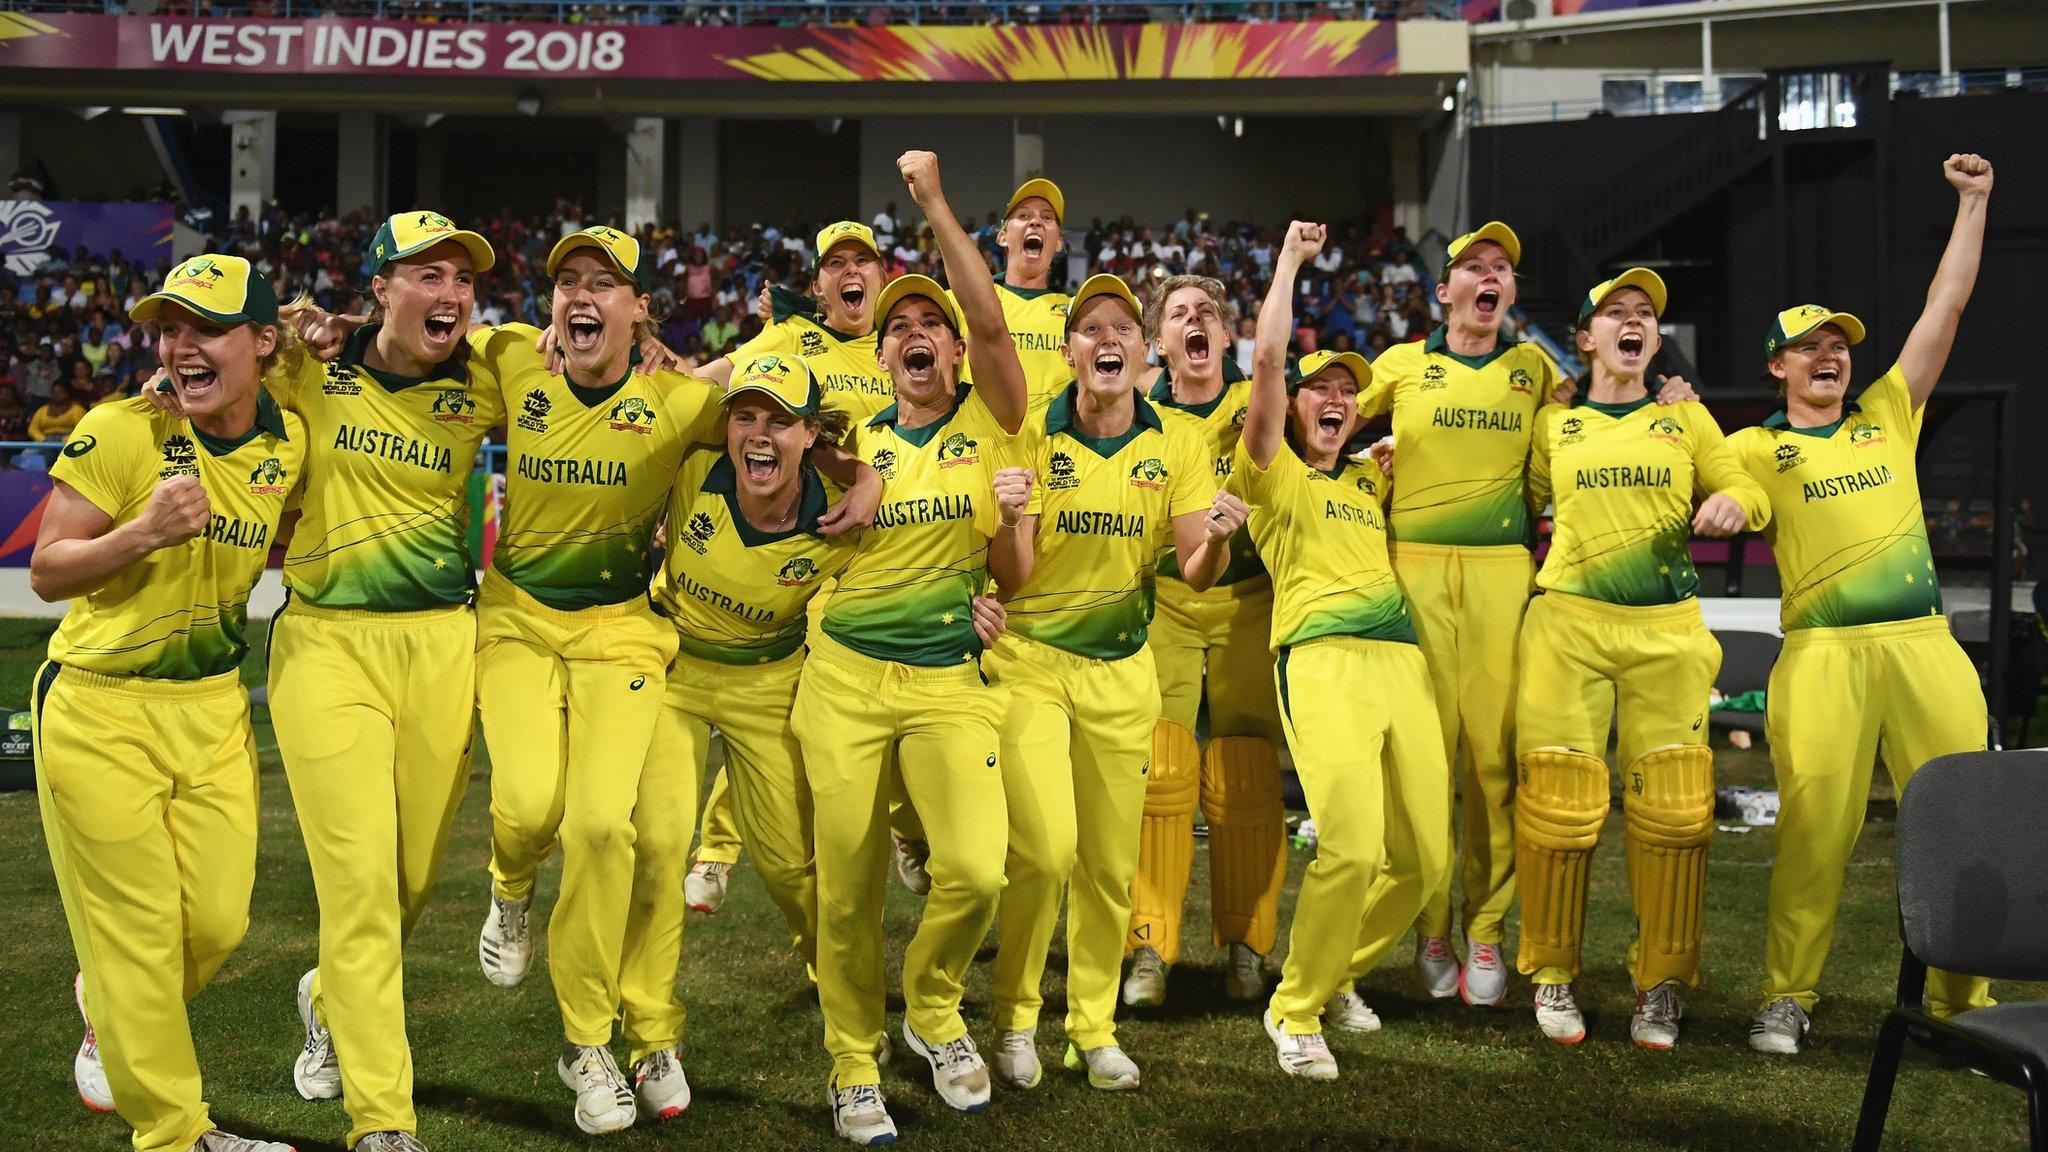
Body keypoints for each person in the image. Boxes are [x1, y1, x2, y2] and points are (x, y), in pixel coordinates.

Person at [1361, 222, 1689, 1011]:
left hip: (1507, 575)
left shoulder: (1537, 370)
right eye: (1473, 266)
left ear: (1510, 295)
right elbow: (1319, 416)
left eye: (1502, 268)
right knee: (1420, 769)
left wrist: (1673, 398)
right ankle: (1430, 930)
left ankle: (1487, 932)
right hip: (1412, 572)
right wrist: (1358, 463)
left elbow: (1603, 420)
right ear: (1442, 291)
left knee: (1496, 769)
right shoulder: (1402, 366)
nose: (1489, 276)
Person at [30, 253, 306, 1152]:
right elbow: (46, 570)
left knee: (221, 920)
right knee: (142, 935)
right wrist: (143, 531)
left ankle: (103, 1002)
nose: (181, 346)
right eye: (169, 328)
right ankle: (179, 1133)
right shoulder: (120, 429)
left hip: (214, 705)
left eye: (206, 329)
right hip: (100, 708)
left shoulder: (285, 439)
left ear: (260, 342)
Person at [1730, 154, 1996, 1055]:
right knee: (1814, 833)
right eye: (1809, 345)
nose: (1830, 354)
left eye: (1838, 343)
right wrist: (1726, 502)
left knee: (1964, 820)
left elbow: (1945, 309)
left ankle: (1967, 1005)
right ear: (1777, 365)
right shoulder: (1756, 447)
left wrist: (1973, 202)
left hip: (1924, 644)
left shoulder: (1887, 410)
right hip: (1824, 656)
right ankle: (1786, 997)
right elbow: (1729, 491)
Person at [789, 150, 1027, 1145]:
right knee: (842, 894)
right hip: (841, 681)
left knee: (975, 868)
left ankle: (930, 1006)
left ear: (956, 352)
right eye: (899, 329)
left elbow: (984, 315)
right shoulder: (853, 450)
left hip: (947, 680)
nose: (917, 335)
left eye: (930, 325)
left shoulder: (993, 418)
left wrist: (932, 200)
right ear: (878, 360)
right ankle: (852, 1067)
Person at [467, 226, 721, 1134]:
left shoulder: (678, 402)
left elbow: (770, 407)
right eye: (567, 282)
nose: (581, 296)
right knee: (530, 808)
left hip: (622, 633)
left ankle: (589, 1043)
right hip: (519, 619)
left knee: (609, 830)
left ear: (639, 309)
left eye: (605, 285)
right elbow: (408, 341)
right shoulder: (510, 361)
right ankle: (509, 889)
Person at [269, 211, 505, 1152]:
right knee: (363, 888)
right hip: (328, 645)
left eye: (463, 280)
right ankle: (384, 1121)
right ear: (378, 290)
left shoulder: (486, 380)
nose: (449, 293)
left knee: (407, 884)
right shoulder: (311, 367)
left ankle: (328, 997)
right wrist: (290, 323)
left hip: (446, 643)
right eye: (426, 274)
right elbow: (232, 355)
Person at [986, 271, 1244, 1093]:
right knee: (1044, 849)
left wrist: (1222, 539)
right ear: (1068, 352)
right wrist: (1009, 518)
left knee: (1104, 864)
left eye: (1122, 329)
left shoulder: (1175, 442)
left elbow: (1197, 572)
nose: (1108, 339)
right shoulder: (1030, 430)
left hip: (1123, 672)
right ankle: (1015, 1018)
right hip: (1029, 661)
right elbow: (1012, 577)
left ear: (1144, 353)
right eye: (1090, 328)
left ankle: (1092, 1028)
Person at [1514, 268, 1766, 1050]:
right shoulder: (1552, 425)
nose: (1633, 322)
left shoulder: (1687, 422)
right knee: (1557, 807)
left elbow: (1746, 492)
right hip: (1568, 627)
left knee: (1678, 812)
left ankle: (1660, 985)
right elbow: (1511, 505)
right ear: (1585, 338)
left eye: (1645, 315)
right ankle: (1553, 973)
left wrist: (1734, 505)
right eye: (1615, 313)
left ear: (1655, 340)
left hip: (1667, 629)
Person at [1237, 221, 1450, 1078]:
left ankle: (1332, 975)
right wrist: (1289, 263)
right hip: (1321, 661)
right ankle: (1293, 1012)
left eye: (1348, 394)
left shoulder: (1369, 475)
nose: (1334, 399)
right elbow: (1263, 364)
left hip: (1402, 662)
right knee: (1353, 847)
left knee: (1427, 859)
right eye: (1318, 389)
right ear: (1292, 407)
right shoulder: (1272, 472)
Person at [1123, 274, 1286, 1011]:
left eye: (1208, 314)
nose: (1195, 322)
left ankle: (1248, 947)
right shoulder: (1133, 417)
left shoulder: (1255, 405)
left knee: (1247, 780)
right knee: (1156, 775)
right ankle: (1148, 946)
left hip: (1249, 603)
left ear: (1226, 338)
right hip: (1163, 602)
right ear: (1158, 343)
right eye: (1178, 314)